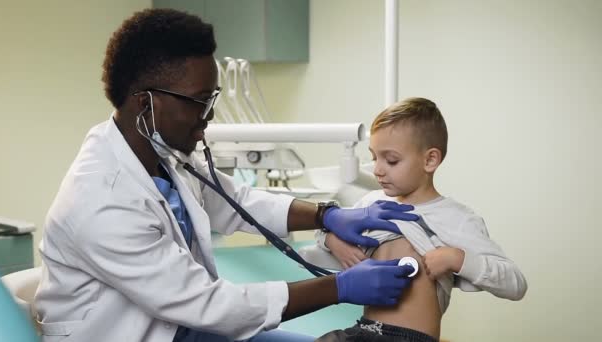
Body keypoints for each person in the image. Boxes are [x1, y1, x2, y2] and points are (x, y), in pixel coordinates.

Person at [33, 8, 421, 342]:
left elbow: (237, 201)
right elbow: (209, 304)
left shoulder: (157, 154)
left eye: (212, 99)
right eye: (201, 101)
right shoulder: (101, 200)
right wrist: (338, 288)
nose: (210, 116)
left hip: (185, 328)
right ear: (145, 104)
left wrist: (326, 214)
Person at [300, 98, 528, 342]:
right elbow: (323, 229)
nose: (377, 169)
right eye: (374, 157)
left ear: (430, 160)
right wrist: (335, 242)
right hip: (364, 331)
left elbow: (515, 284)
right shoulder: (369, 204)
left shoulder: (455, 218)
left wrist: (458, 259)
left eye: (391, 160)